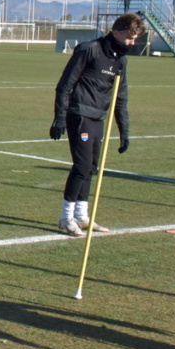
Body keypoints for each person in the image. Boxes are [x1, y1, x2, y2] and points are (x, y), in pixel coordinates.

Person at [49, 13, 143, 235]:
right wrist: (60, 117)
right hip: (79, 113)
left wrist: (124, 131)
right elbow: (65, 85)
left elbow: (120, 97)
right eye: (130, 38)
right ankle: (65, 218)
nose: (132, 43)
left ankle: (82, 217)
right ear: (117, 32)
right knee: (81, 166)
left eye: (135, 39)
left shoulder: (121, 60)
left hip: (98, 117)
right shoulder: (89, 49)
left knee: (91, 167)